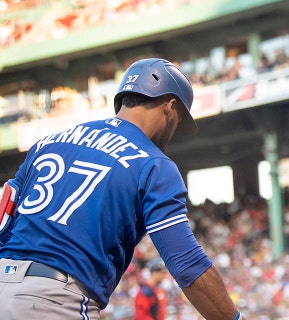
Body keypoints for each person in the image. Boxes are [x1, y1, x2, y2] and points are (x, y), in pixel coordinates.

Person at [0, 58, 243, 320]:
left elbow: (5, 217)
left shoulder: (48, 142)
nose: (174, 131)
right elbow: (187, 264)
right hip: (52, 301)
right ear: (171, 107)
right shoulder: (153, 162)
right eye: (179, 120)